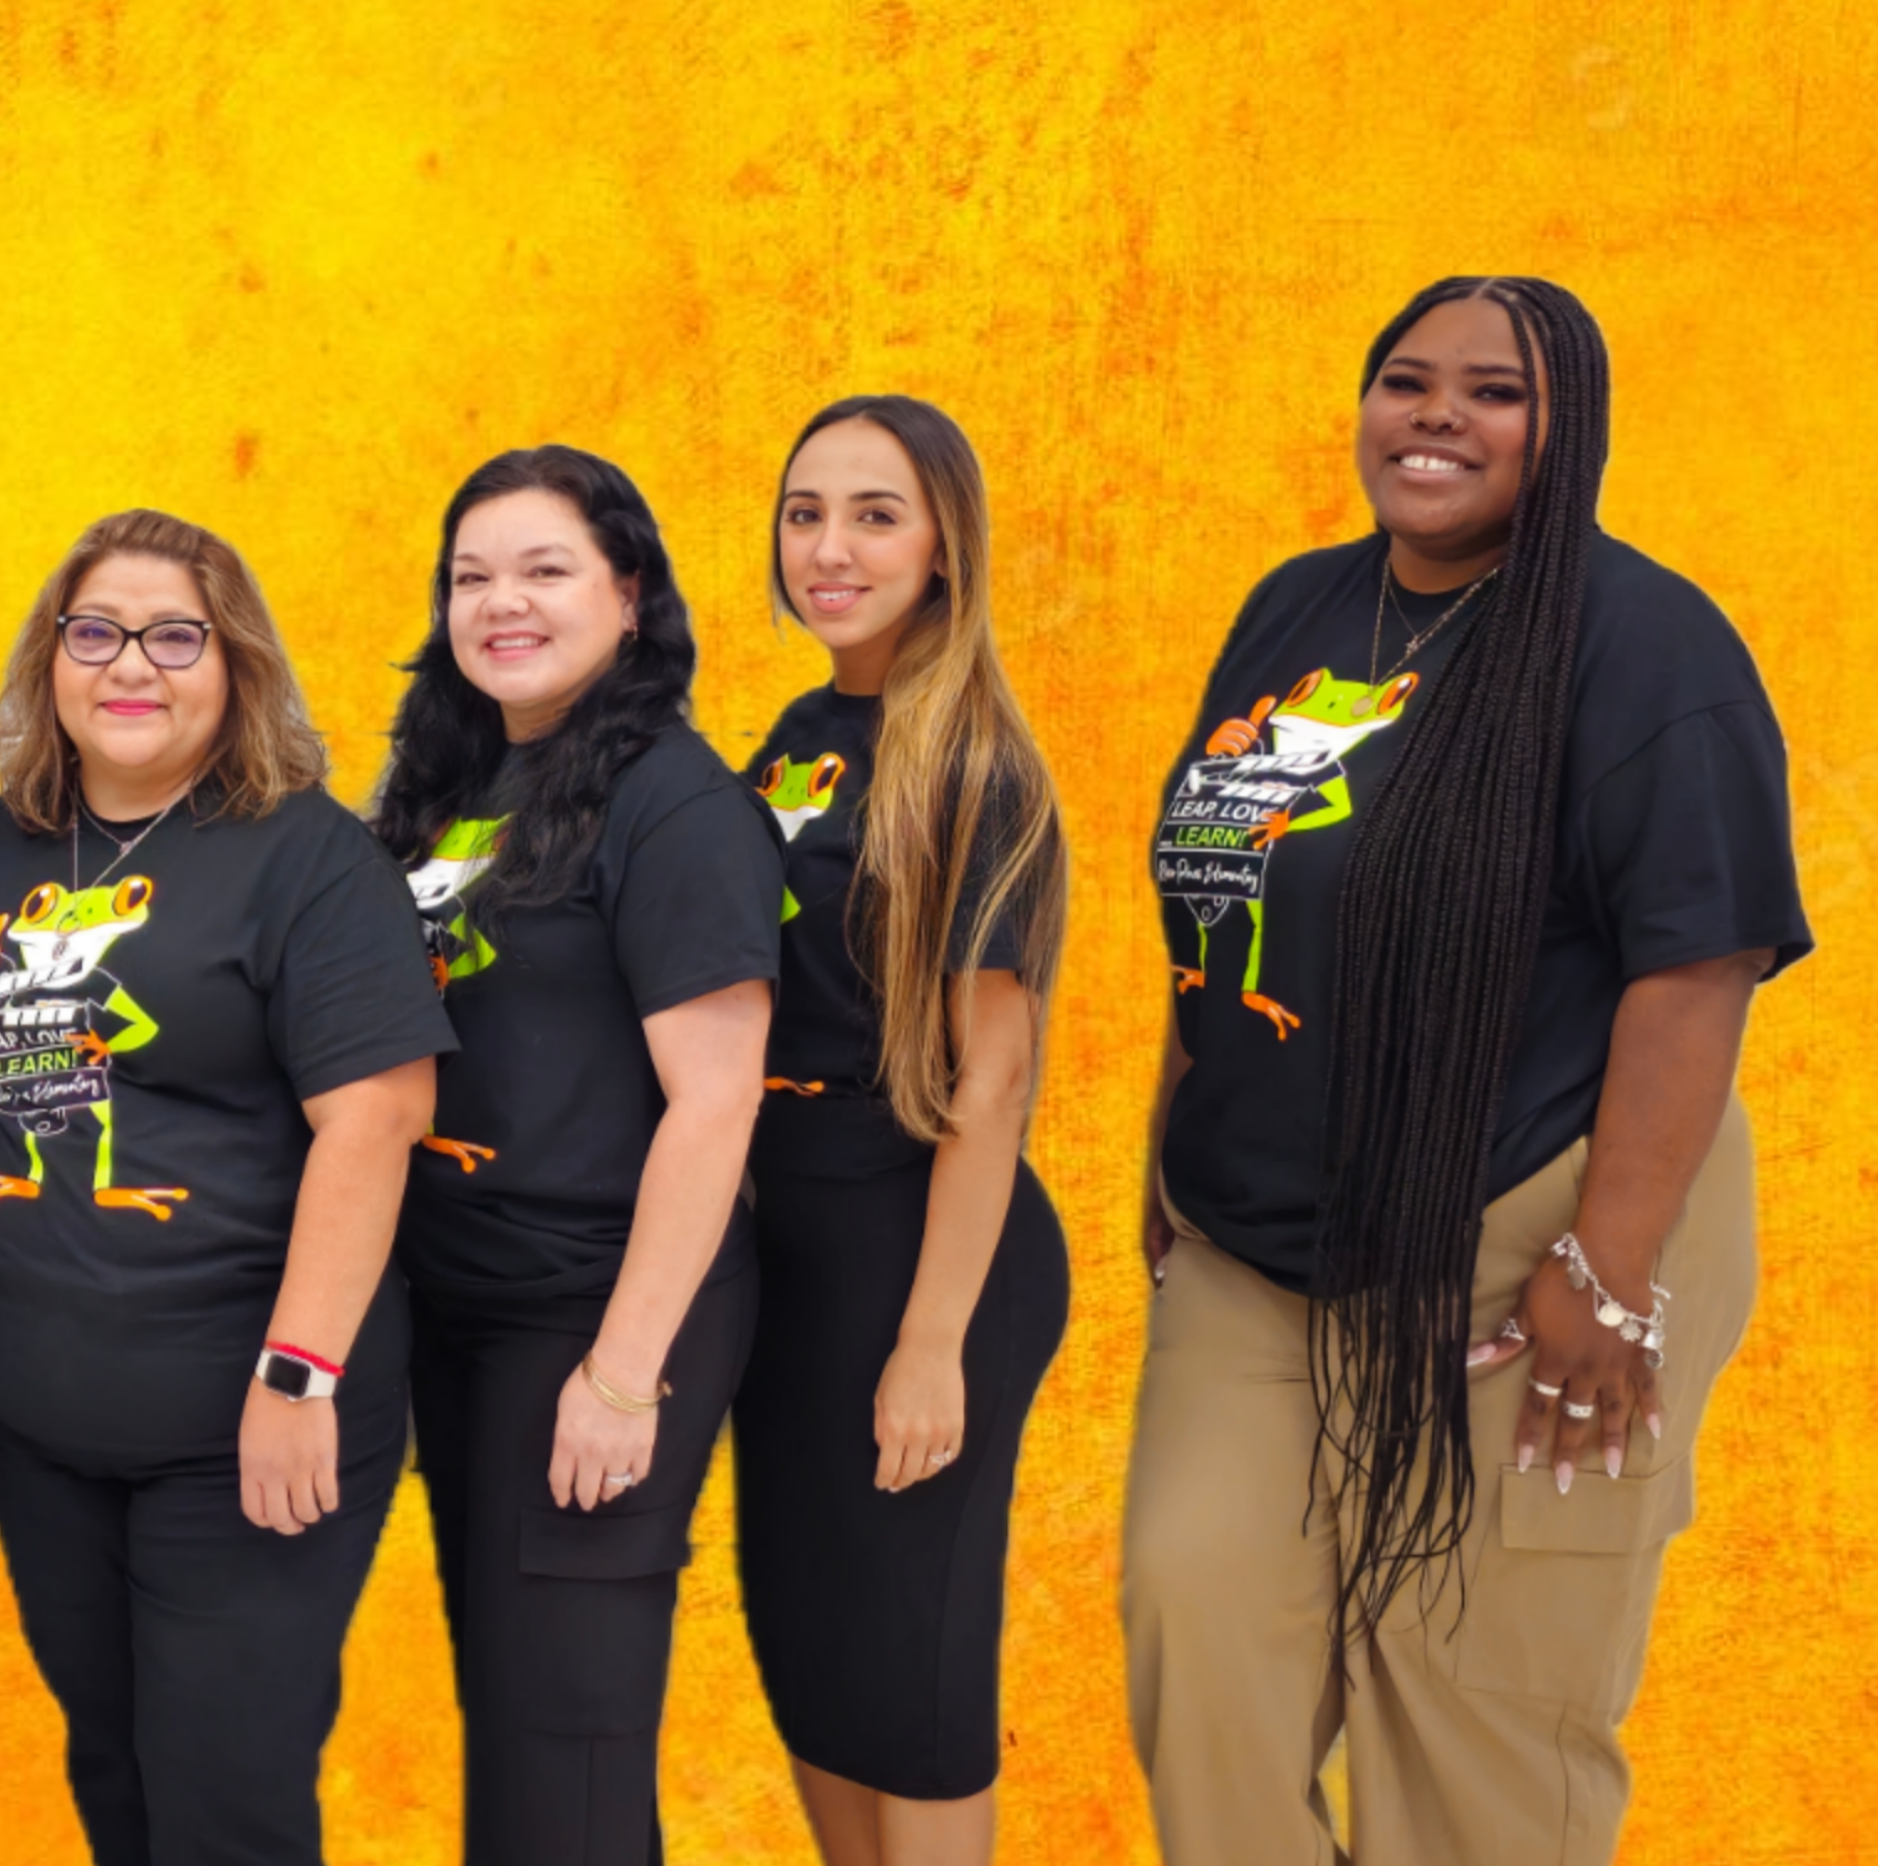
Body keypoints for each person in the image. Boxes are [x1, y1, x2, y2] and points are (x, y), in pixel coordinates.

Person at [1122, 277, 1809, 1865]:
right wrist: (1175, 1138)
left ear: (1566, 431)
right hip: (1260, 1256)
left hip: (1532, 1242)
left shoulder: (1645, 646)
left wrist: (1609, 1269)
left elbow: (1695, 967)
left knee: (1468, 1718)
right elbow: (1227, 886)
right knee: (1197, 1633)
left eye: (1492, 391)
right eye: (1404, 380)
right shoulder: (1295, 606)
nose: (1435, 414)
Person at [0, 509, 448, 1866]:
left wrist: (297, 1374)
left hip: (247, 1427)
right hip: (35, 1419)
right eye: (95, 631)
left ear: (236, 665)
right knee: (110, 1765)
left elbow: (378, 1116)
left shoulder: (305, 856)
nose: (131, 666)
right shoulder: (2, 842)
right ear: (52, 656)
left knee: (226, 1794)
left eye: (176, 635)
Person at [365, 448, 778, 1863]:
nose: (500, 604)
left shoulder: (674, 804)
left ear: (629, 592)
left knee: (570, 1738)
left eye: (542, 570)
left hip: (595, 1306)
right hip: (465, 1306)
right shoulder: (468, 775)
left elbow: (714, 1103)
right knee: (517, 1716)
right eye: (470, 577)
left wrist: (617, 1372)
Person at [733, 397, 1070, 1866]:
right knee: (807, 1641)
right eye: (805, 511)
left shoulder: (975, 764)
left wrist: (929, 1342)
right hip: (787, 1242)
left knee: (911, 1662)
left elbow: (990, 1082)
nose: (830, 546)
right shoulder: (802, 735)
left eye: (874, 513)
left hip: (918, 1239)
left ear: (944, 546)